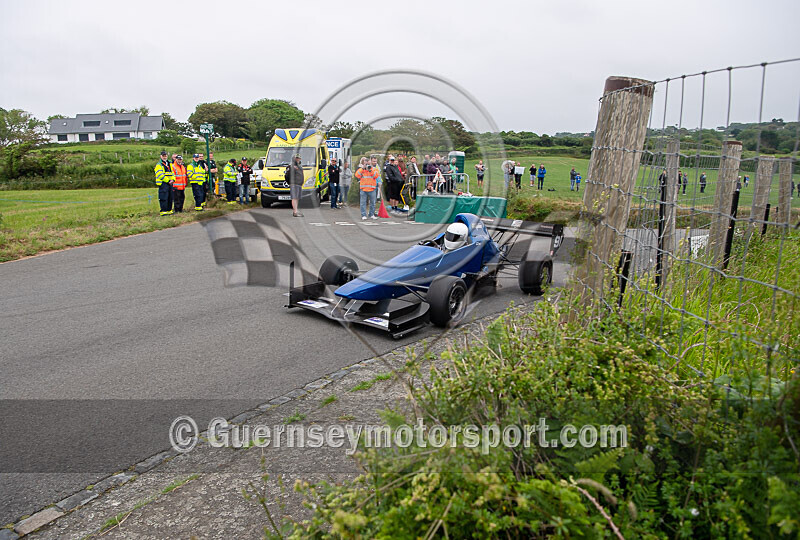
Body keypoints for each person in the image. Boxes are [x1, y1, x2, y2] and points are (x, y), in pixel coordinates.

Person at [154, 151, 174, 215]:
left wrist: (173, 179)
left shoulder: (170, 164)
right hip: (163, 183)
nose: (164, 157)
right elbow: (160, 175)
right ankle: (163, 211)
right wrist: (168, 181)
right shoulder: (159, 165)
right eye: (163, 156)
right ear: (161, 156)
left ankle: (169, 210)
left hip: (170, 183)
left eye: (165, 155)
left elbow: (173, 173)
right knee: (163, 197)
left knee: (170, 197)